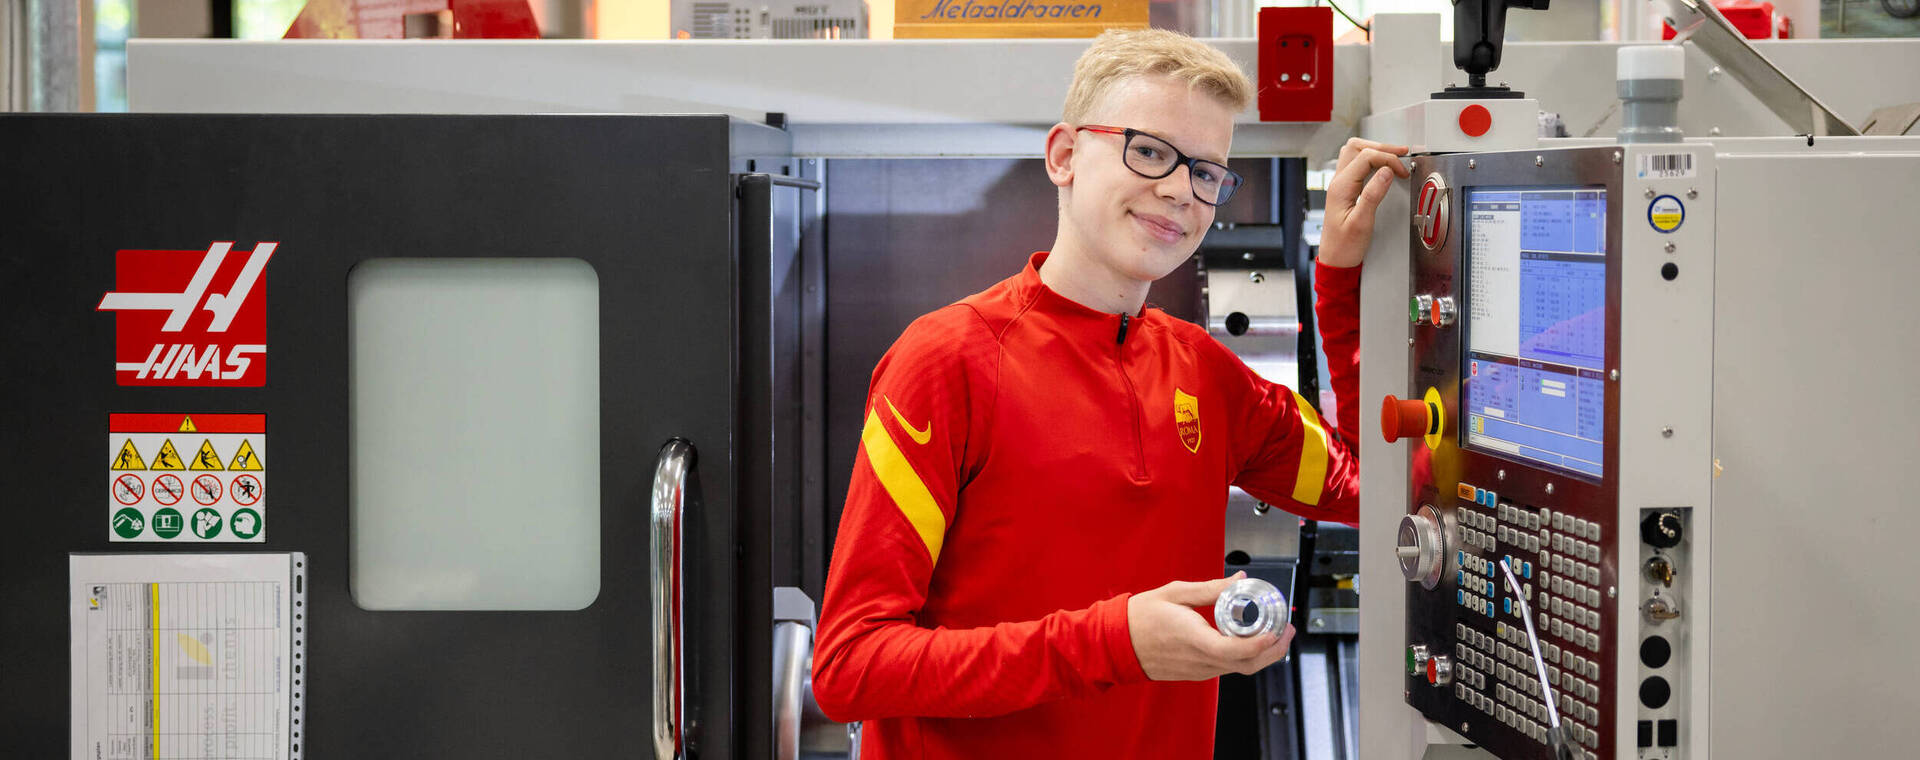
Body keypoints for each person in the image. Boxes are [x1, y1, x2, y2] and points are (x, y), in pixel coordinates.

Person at [810, 28, 1410, 758]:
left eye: (1206, 173)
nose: (1178, 191)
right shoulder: (946, 362)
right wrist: (1114, 643)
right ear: (1064, 155)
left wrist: (1342, 276)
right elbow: (849, 666)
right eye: (1149, 151)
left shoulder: (1206, 376)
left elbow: (1376, 484)